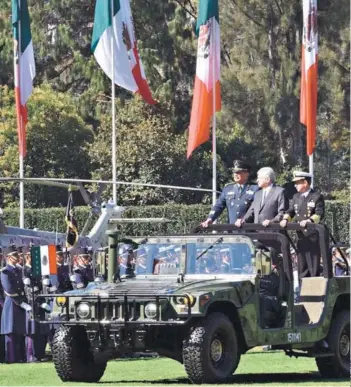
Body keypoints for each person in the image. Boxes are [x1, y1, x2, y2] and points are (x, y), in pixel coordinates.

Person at [280, 171, 325, 278]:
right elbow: (291, 211)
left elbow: (319, 214)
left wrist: (309, 221)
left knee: (313, 264)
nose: (295, 185)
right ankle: (302, 288)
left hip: (313, 235)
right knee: (302, 264)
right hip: (301, 235)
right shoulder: (296, 197)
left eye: (298, 183)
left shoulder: (316, 196)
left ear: (305, 183)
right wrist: (285, 219)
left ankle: (314, 289)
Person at [201, 160, 259, 227]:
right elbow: (218, 206)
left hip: (249, 230)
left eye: (238, 172)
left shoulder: (255, 188)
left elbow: (256, 209)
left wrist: (245, 219)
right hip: (231, 230)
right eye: (234, 172)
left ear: (246, 173)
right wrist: (210, 218)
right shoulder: (228, 188)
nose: (235, 174)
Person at [0, 247, 30, 363]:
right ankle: (12, 358)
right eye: (15, 256)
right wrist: (21, 302)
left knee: (20, 331)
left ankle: (20, 357)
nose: (18, 258)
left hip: (21, 302)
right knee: (11, 332)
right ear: (8, 257)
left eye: (18, 255)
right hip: (12, 303)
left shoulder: (18, 270)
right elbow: (9, 290)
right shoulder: (5, 272)